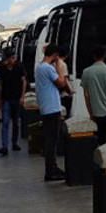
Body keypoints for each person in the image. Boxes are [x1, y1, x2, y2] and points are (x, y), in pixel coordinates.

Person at [35, 44, 67, 181]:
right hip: (52, 108)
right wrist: (59, 67)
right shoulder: (48, 68)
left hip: (45, 107)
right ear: (54, 55)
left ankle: (52, 167)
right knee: (52, 140)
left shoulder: (39, 67)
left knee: (50, 139)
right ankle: (51, 169)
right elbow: (61, 83)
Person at [80, 45, 106, 145]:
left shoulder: (86, 72)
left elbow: (86, 95)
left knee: (100, 141)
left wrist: (91, 114)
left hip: (96, 113)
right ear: (105, 55)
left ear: (93, 56)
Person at [0, 54, 26, 155]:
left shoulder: (19, 68)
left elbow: (24, 81)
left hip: (17, 98)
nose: (14, 60)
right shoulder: (3, 69)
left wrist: (22, 96)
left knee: (16, 122)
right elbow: (0, 85)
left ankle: (14, 142)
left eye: (14, 58)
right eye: (12, 58)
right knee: (5, 122)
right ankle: (4, 146)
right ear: (7, 59)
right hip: (6, 99)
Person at [56, 46, 74, 118]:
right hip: (64, 94)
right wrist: (70, 92)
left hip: (58, 94)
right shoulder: (63, 64)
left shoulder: (54, 64)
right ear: (66, 55)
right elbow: (65, 81)